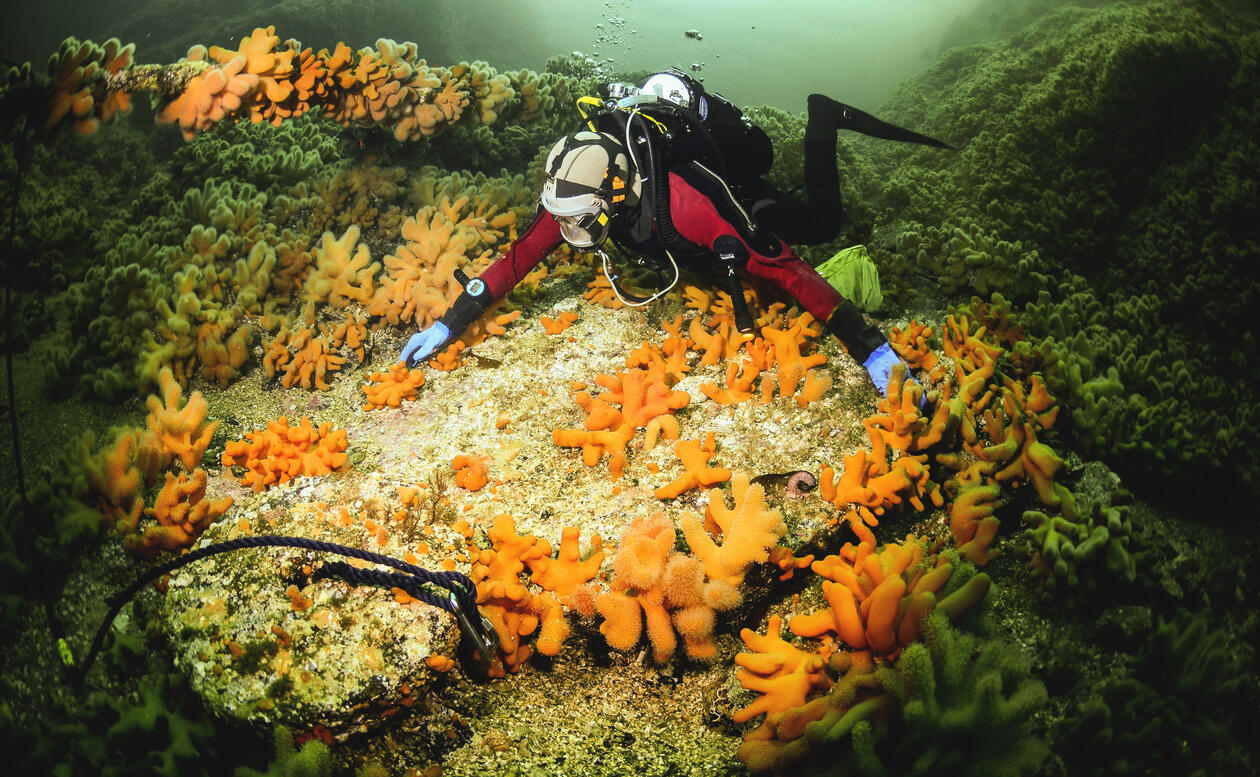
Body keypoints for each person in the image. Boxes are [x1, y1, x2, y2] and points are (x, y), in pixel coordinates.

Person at [401, 69, 952, 397]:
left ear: (615, 192)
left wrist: (870, 349)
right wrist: (451, 324)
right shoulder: (584, 187)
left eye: (579, 220)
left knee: (819, 226)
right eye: (564, 217)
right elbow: (519, 257)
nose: (567, 232)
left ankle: (823, 119)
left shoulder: (686, 207)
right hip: (674, 223)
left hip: (729, 197)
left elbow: (784, 267)